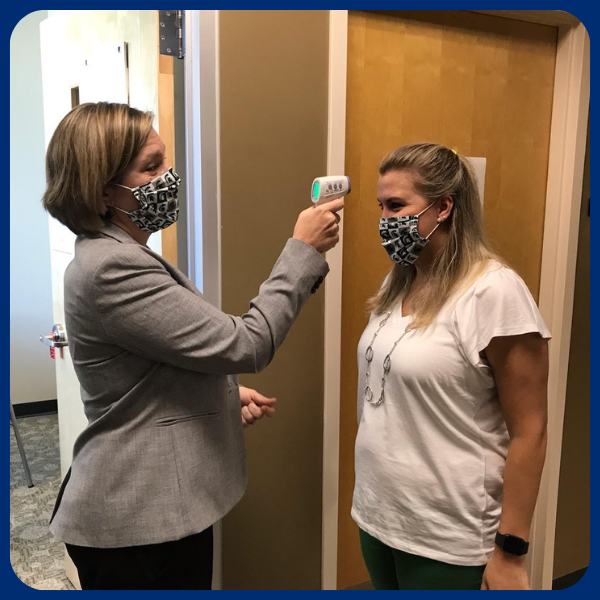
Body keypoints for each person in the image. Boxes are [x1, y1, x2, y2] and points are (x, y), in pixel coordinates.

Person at [42, 102, 344, 590]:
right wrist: (303, 251)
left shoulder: (122, 255)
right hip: (135, 521)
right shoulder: (111, 268)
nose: (170, 176)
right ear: (102, 190)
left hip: (156, 512)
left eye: (165, 160)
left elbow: (150, 370)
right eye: (151, 166)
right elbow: (247, 343)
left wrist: (222, 396)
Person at [352, 143, 550, 590]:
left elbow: (530, 430)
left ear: (443, 207)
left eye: (397, 205)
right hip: (380, 514)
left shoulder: (494, 292)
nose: (385, 219)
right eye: (381, 206)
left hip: (449, 535)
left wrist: (510, 553)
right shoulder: (398, 282)